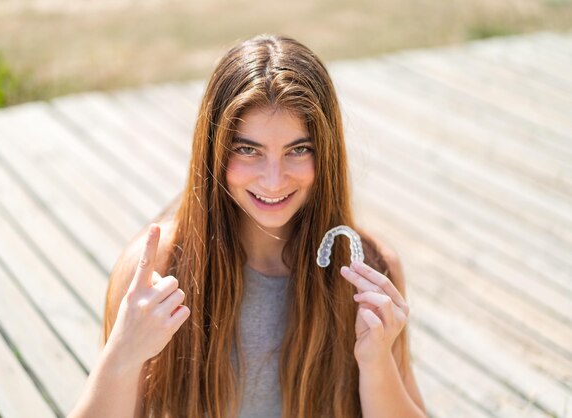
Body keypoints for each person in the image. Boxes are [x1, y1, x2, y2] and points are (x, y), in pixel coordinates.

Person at [69, 34, 426, 418]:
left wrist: (376, 363)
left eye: (298, 149)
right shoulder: (154, 272)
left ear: (327, 154)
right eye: (247, 149)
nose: (273, 180)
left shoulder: (370, 272)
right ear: (215, 149)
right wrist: (123, 355)